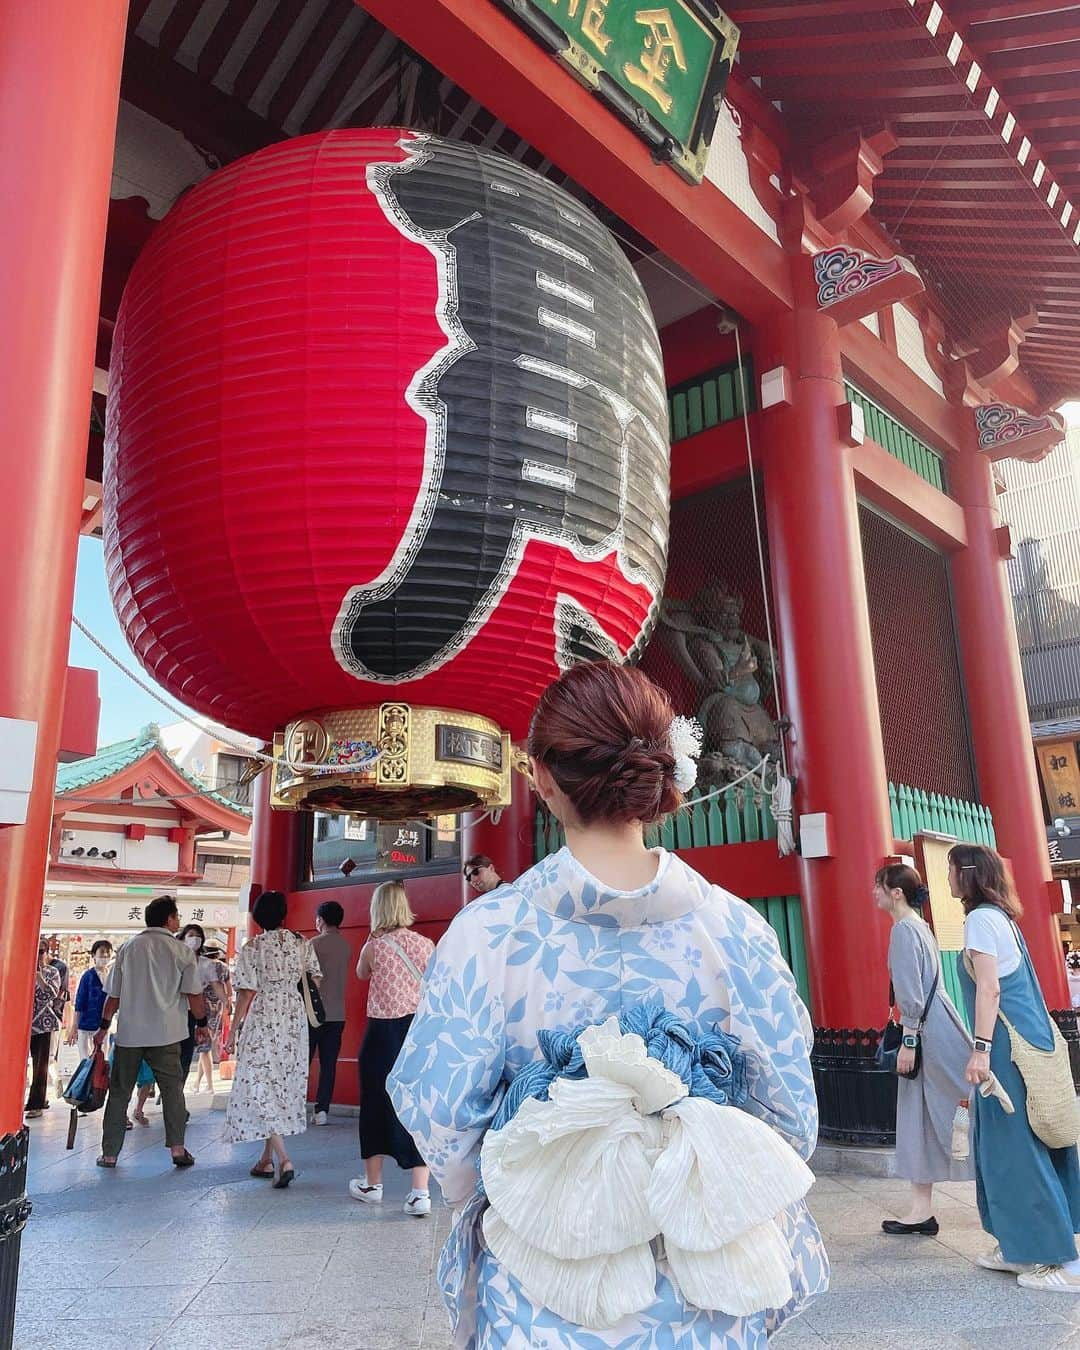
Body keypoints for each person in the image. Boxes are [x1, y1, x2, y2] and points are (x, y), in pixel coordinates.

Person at [390, 661, 828, 1347]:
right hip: (704, 1286)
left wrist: (541, 1182)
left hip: (547, 1287)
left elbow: (443, 1117)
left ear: (540, 776)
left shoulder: (487, 934)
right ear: (660, 771)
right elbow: (790, 1120)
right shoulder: (736, 929)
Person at [952, 843, 1080, 1292]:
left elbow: (989, 990)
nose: (946, 879)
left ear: (966, 874)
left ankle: (1061, 1261)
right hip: (1028, 1040)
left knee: (1015, 1149)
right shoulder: (1001, 918)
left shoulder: (979, 920)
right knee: (1021, 1142)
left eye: (950, 869)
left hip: (1007, 1049)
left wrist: (981, 1049)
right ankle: (1019, 1246)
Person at [875, 864, 974, 1236]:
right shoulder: (920, 926)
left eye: (878, 887)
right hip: (939, 1024)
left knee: (959, 1109)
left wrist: (909, 1040)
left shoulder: (903, 930)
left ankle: (1005, 1173)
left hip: (926, 1032)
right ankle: (920, 1210)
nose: (875, 894)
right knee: (920, 1115)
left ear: (895, 892)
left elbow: (910, 993)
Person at [95, 895, 209, 1169]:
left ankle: (110, 1154)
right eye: (177, 916)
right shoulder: (182, 952)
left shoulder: (127, 948)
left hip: (130, 1035)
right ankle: (178, 1150)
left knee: (120, 1092)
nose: (178, 921)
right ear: (169, 919)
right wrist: (202, 1024)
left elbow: (113, 996)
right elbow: (193, 995)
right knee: (172, 1091)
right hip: (167, 1034)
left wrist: (103, 1028)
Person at [224, 890, 321, 1188]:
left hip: (265, 1014)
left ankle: (284, 1159)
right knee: (280, 1083)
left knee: (259, 1083)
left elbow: (246, 992)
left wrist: (234, 1028)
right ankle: (265, 1160)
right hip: (293, 1018)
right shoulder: (300, 942)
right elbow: (315, 978)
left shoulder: (253, 947)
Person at [349, 881, 434, 1215]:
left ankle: (372, 1184)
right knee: (417, 1106)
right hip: (416, 1033)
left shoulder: (374, 947)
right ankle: (420, 1192)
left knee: (375, 1103)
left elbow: (360, 974)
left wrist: (372, 942)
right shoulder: (426, 944)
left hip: (382, 1033)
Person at [309, 899, 350, 1125]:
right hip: (337, 1013)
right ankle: (322, 1110)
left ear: (321, 920)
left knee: (302, 1061)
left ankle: (294, 1106)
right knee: (329, 1064)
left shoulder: (313, 944)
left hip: (313, 1013)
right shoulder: (346, 946)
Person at [177, 923, 229, 1094]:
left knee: (186, 1053)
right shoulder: (175, 958)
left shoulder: (206, 964)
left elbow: (217, 985)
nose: (195, 939)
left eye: (198, 936)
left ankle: (178, 1089)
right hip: (174, 1011)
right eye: (191, 935)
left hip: (196, 1012)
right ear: (183, 938)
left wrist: (227, 1002)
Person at [26, 938, 63, 1119]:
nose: (38, 955)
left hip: (43, 1023)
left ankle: (37, 1103)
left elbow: (51, 994)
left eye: (41, 951)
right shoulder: (21, 968)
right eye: (35, 950)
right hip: (22, 1024)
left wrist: (39, 977)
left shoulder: (52, 971)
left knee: (40, 1066)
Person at [67, 940, 113, 1060]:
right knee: (86, 1060)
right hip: (86, 1025)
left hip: (103, 1026)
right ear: (93, 955)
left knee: (102, 1059)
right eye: (102, 953)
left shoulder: (111, 976)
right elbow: (80, 1002)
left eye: (108, 953)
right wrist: (74, 1026)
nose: (105, 956)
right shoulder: (87, 976)